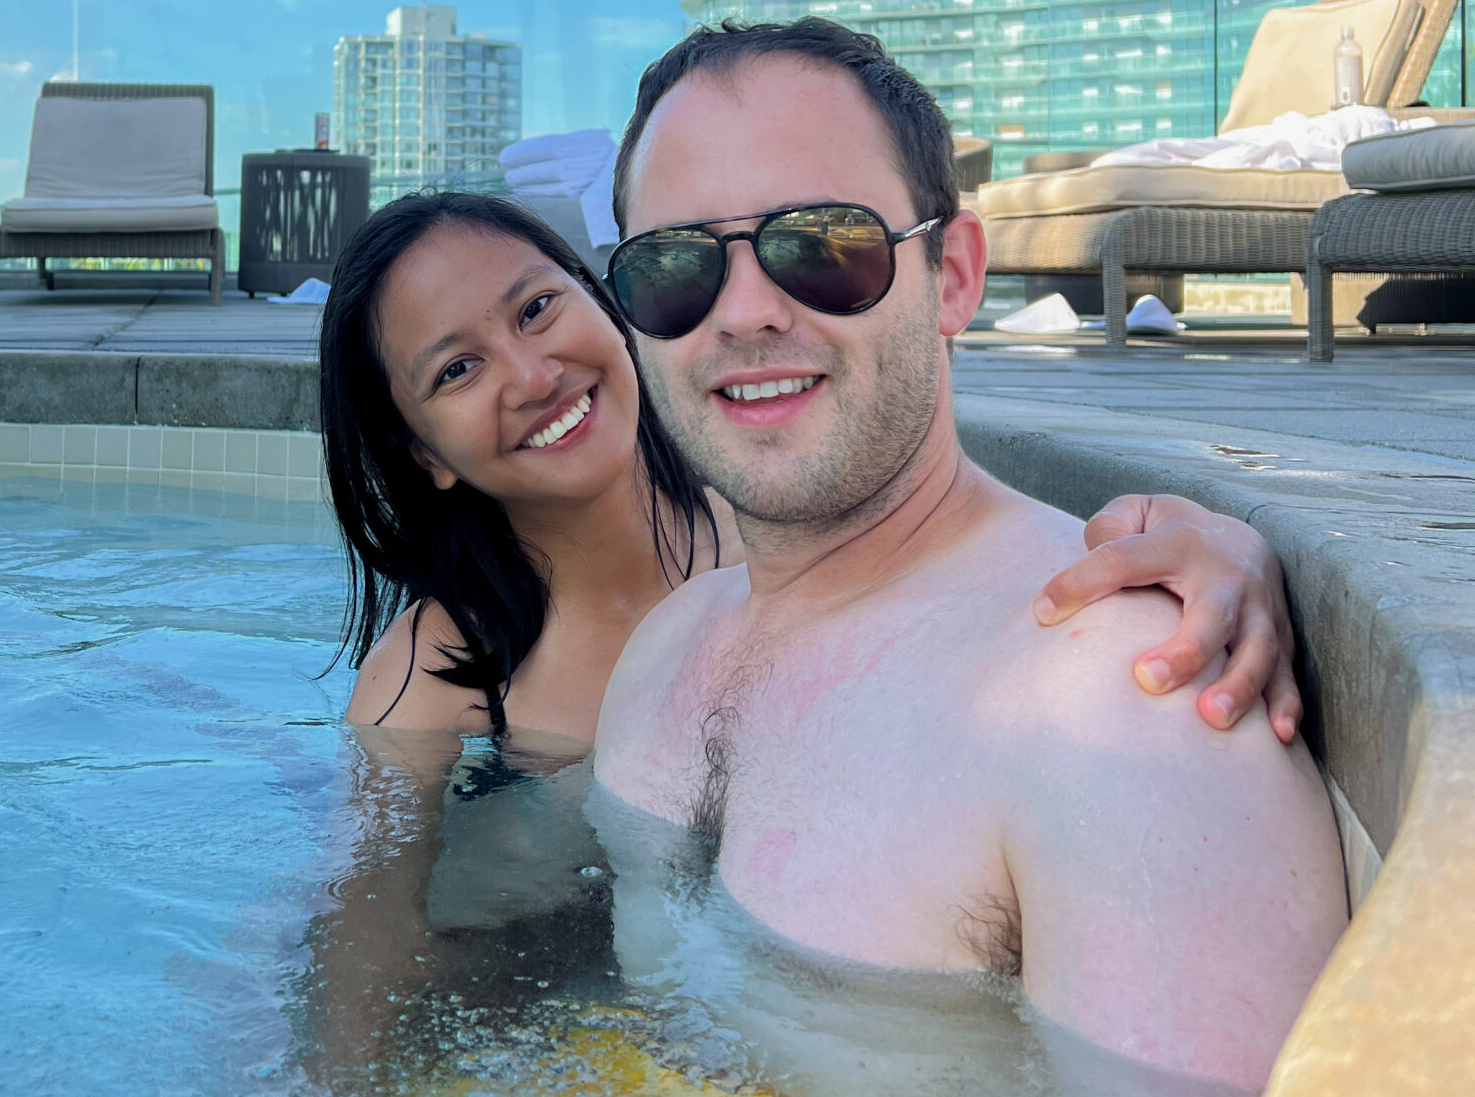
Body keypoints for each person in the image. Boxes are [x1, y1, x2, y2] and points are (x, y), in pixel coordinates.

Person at [590, 18, 1346, 1093]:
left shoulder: (1118, 693)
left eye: (823, 243)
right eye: (674, 268)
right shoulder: (662, 652)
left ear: (952, 277)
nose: (747, 311)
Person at [325, 190, 1301, 754]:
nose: (532, 375)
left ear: (603, 297)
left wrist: (1214, 548)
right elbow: (363, 987)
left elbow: (992, 557)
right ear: (420, 451)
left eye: (537, 308)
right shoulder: (431, 690)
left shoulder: (792, 518)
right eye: (457, 368)